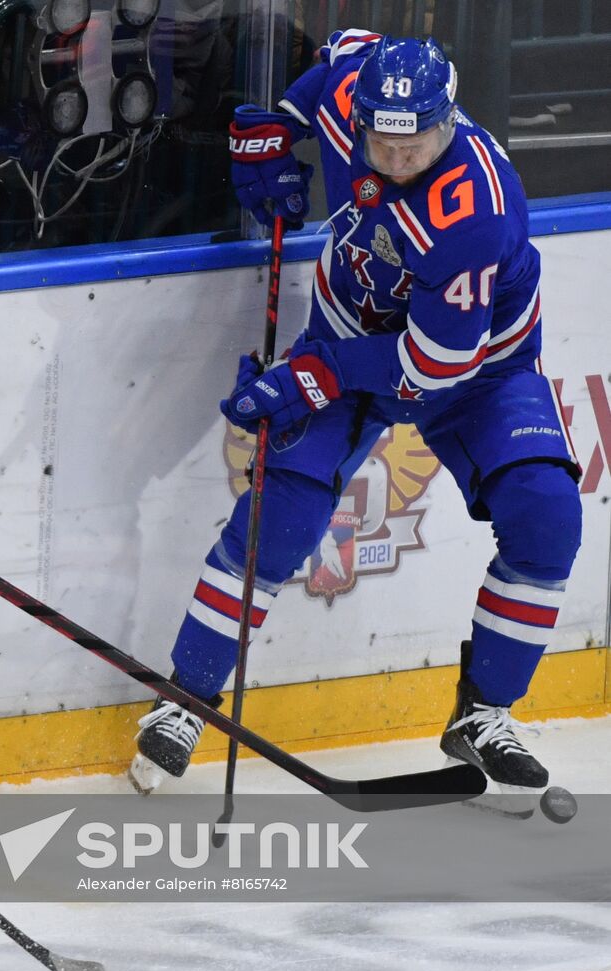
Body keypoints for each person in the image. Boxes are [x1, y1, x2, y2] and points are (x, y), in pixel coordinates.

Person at [129, 31, 581, 796]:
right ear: (363, 116)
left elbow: (435, 367)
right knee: (279, 520)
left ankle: (482, 715)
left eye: (419, 146)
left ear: (449, 118)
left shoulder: (475, 210)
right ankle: (186, 699)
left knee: (546, 515)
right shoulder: (359, 95)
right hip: (349, 336)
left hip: (478, 368)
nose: (398, 161)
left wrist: (316, 374)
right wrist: (274, 127)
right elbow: (342, 52)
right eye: (382, 144)